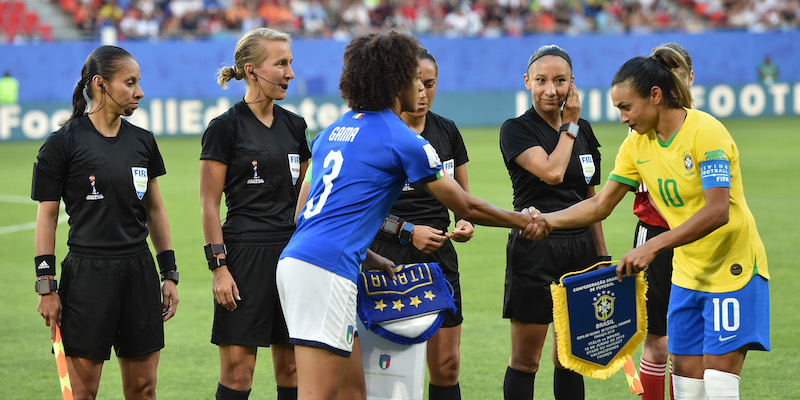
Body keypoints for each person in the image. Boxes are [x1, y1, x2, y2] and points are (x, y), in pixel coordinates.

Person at [275, 30, 547, 400]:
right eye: (413, 78)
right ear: (393, 82)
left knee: (353, 392)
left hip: (297, 261)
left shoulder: (333, 131)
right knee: (318, 395)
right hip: (326, 272)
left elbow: (307, 213)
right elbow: (465, 206)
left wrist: (367, 254)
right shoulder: (402, 139)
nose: (420, 88)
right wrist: (524, 220)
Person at [538, 46, 770, 400]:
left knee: (720, 386)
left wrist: (653, 245)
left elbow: (717, 211)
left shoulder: (706, 132)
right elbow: (600, 204)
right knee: (687, 388)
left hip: (732, 270)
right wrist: (544, 221)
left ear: (655, 96)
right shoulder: (636, 145)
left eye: (625, 107)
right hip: (688, 275)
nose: (622, 118)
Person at [32, 45, 179, 399]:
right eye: (130, 83)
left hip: (138, 272)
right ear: (100, 84)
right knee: (83, 392)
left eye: (138, 82)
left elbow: (155, 210)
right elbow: (47, 218)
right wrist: (46, 286)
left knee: (144, 389)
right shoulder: (61, 145)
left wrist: (169, 273)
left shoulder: (143, 142)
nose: (139, 92)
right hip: (87, 275)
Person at [199, 27, 309, 400]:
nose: (290, 73)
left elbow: (308, 199)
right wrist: (219, 268)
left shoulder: (296, 127)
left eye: (290, 63)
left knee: (294, 370)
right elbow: (209, 205)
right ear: (251, 70)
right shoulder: (224, 128)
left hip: (293, 256)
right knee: (238, 374)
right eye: (281, 64)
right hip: (243, 258)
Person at [498, 44, 607, 400]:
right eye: (542, 80)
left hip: (581, 250)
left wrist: (602, 257)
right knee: (526, 360)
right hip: (535, 247)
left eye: (560, 80)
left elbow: (591, 198)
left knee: (571, 358)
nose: (551, 89)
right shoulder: (515, 130)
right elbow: (553, 172)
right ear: (527, 81)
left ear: (572, 83)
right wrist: (570, 126)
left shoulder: (585, 130)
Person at [367, 47, 472, 400]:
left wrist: (465, 224)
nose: (424, 93)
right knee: (387, 364)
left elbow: (463, 201)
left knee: (447, 366)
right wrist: (408, 231)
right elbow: (361, 210)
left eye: (431, 84)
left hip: (439, 259)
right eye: (417, 84)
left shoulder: (448, 132)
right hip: (387, 259)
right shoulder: (379, 134)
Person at [633, 42, 694, 400]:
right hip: (656, 236)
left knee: (690, 342)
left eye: (680, 76)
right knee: (658, 339)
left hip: (700, 240)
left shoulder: (703, 130)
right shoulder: (642, 131)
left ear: (691, 78)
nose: (675, 85)